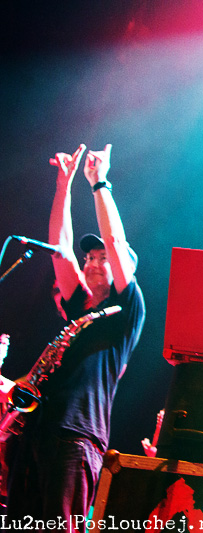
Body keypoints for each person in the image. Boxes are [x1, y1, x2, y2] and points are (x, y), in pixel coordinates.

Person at [4, 144, 145, 530]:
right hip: (35, 431)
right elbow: (60, 250)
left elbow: (115, 241)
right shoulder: (82, 302)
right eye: (91, 258)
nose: (94, 262)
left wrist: (99, 182)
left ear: (123, 270)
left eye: (104, 259)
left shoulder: (126, 309)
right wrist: (63, 186)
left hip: (76, 436)